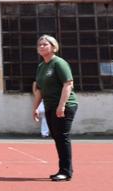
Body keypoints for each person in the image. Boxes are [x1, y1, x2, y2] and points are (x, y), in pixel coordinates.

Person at [31, 35, 78, 181]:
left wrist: (61, 106)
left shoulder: (59, 63)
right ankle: (63, 169)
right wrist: (35, 108)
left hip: (65, 105)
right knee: (57, 137)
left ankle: (66, 172)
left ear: (53, 47)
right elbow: (39, 90)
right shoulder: (41, 66)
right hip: (50, 106)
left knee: (62, 137)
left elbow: (68, 84)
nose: (41, 46)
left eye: (45, 44)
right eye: (39, 45)